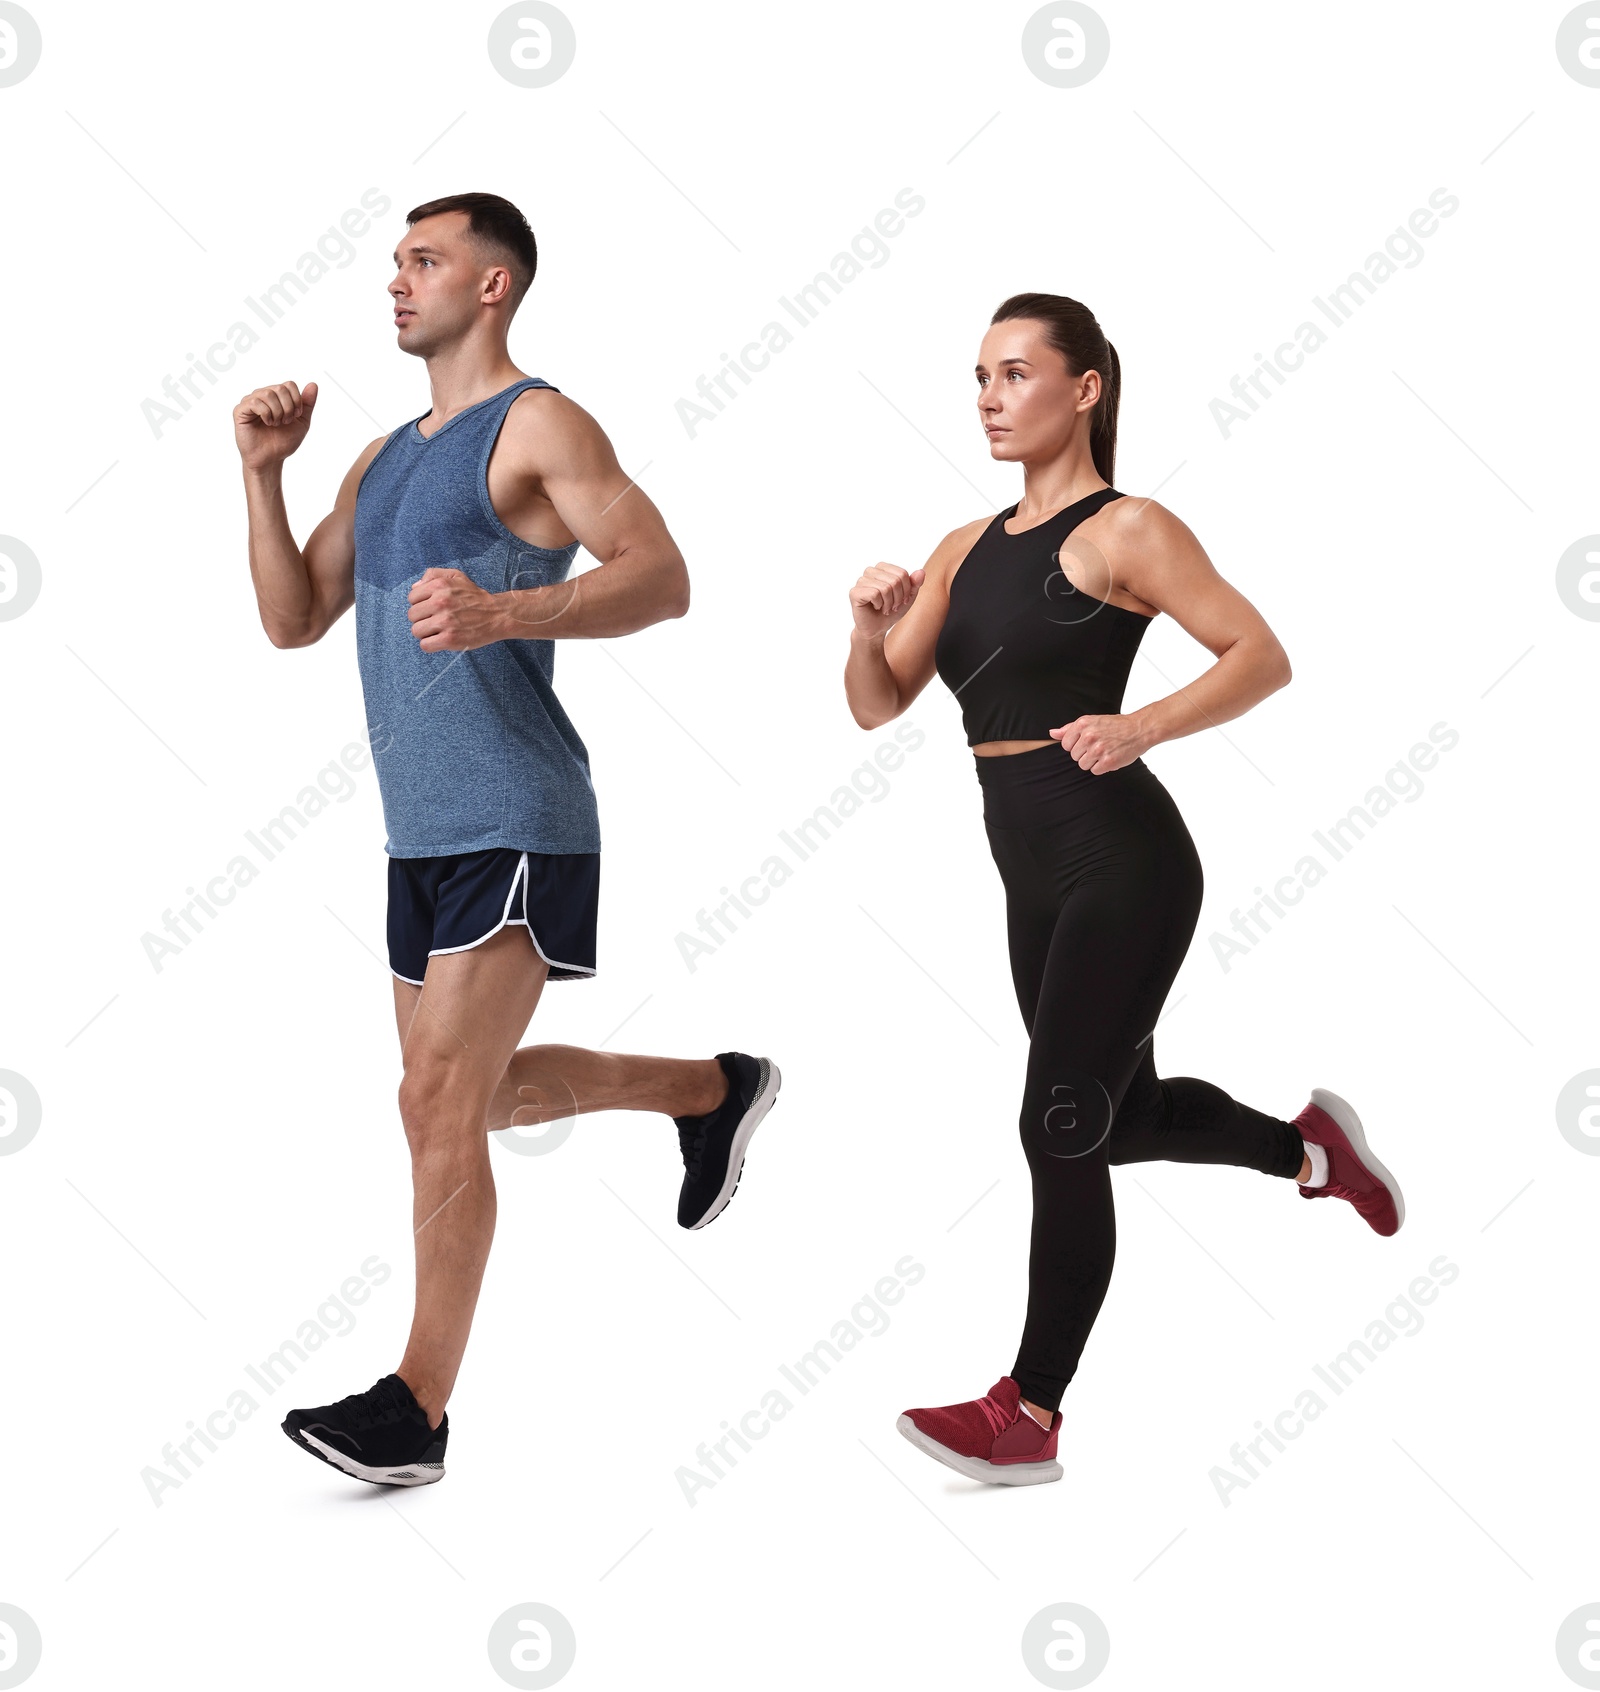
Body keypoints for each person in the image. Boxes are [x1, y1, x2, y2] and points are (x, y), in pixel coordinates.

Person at [233, 191, 780, 1487]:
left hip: (517, 813)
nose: (397, 280)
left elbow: (661, 574)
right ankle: (713, 1090)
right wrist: (264, 476)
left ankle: (416, 1408)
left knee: (436, 1103)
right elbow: (293, 614)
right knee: (460, 1104)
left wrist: (503, 615)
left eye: (425, 260)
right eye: (394, 261)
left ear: (492, 286)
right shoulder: (380, 457)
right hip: (418, 833)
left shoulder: (538, 424)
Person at [843, 292, 1402, 1487]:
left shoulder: (1127, 529)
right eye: (978, 378)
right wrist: (863, 625)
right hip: (1028, 871)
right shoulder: (960, 545)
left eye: (1014, 373)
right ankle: (1308, 1153)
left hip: (1123, 859)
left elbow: (1261, 653)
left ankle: (1028, 1414)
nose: (990, 398)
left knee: (1055, 1120)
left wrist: (1141, 725)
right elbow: (877, 702)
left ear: (1084, 387)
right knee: (1112, 1118)